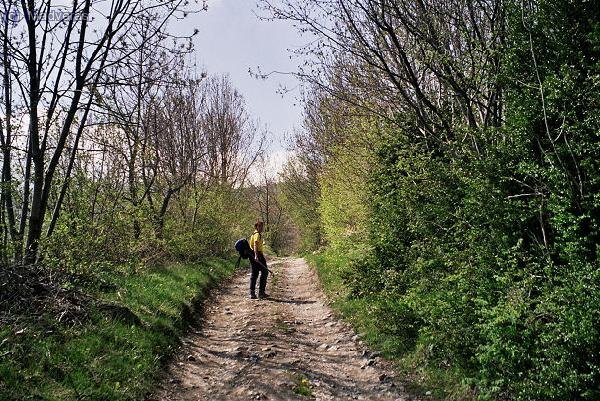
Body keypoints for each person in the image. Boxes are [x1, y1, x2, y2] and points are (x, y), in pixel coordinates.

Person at [249, 220, 269, 299]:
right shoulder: (257, 234)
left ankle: (252, 293)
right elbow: (255, 245)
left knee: (255, 273)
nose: (261, 228)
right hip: (257, 254)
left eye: (262, 226)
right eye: (260, 226)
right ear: (256, 226)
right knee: (264, 271)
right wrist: (257, 256)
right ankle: (261, 292)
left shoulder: (255, 234)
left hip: (254, 254)